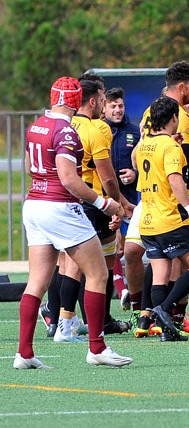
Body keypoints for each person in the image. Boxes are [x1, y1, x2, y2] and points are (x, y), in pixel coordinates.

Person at [15, 76, 131, 369]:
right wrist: (104, 203)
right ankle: (97, 348)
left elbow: (30, 167)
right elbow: (68, 178)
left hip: (35, 204)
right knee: (97, 274)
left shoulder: (37, 125)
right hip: (60, 206)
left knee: (37, 281)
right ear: (79, 100)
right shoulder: (66, 131)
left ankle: (24, 353)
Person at [134, 96, 189, 342]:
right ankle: (164, 310)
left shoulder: (145, 143)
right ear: (174, 118)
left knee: (160, 274)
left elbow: (140, 162)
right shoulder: (171, 146)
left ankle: (165, 329)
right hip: (170, 218)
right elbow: (175, 180)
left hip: (148, 220)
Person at [70, 74, 132, 337]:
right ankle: (97, 324)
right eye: (106, 98)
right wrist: (117, 204)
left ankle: (60, 319)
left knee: (64, 264)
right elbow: (107, 175)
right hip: (95, 202)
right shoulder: (98, 129)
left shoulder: (66, 124)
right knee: (99, 268)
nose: (110, 104)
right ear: (95, 100)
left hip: (68, 200)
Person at [104, 87, 141, 310]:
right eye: (113, 106)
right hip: (106, 198)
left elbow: (142, 162)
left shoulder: (134, 132)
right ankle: (122, 291)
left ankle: (128, 292)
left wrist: (134, 174)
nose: (117, 110)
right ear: (104, 107)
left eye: (121, 106)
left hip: (130, 199)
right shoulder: (99, 130)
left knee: (126, 247)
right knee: (113, 247)